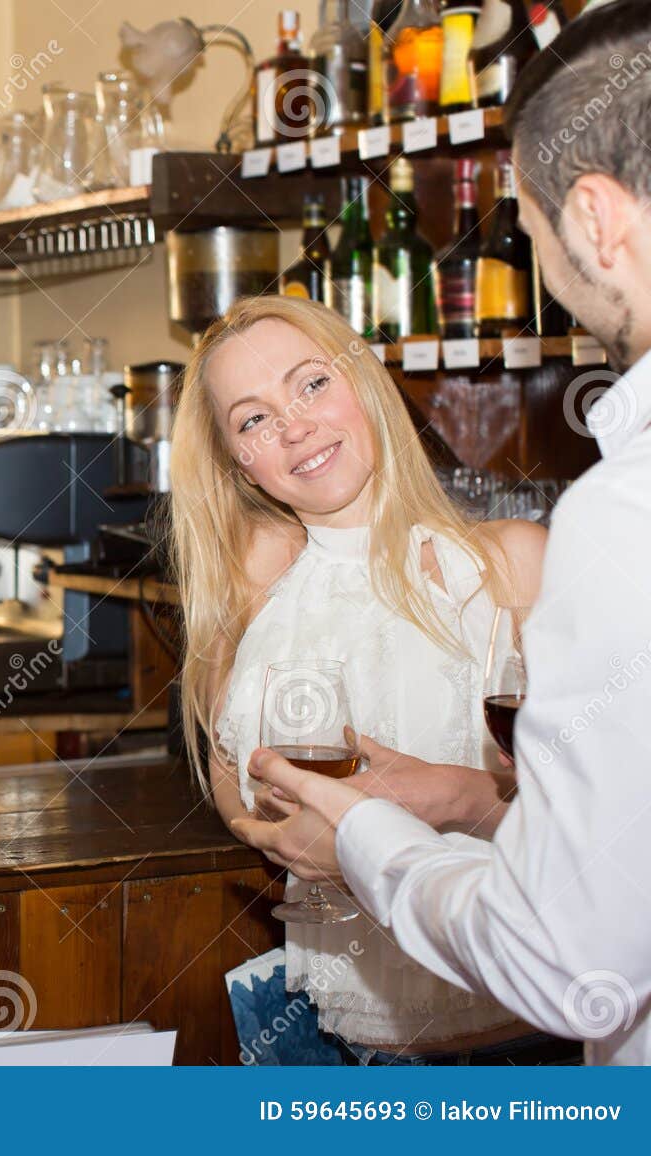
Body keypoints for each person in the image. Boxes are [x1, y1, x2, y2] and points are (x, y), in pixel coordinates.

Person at [230, 6, 651, 1065]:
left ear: (596, 218)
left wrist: (371, 837)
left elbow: (569, 961)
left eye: (529, 217)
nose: (530, 248)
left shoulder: (616, 512)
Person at [169, 293, 566, 1064]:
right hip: (334, 1047)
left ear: (365, 383)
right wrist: (282, 832)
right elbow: (234, 781)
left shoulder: (511, 566)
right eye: (252, 419)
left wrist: (451, 799)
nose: (293, 425)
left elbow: (610, 832)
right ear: (236, 463)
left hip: (520, 1043)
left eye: (312, 383)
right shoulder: (255, 595)